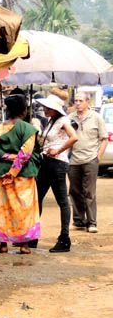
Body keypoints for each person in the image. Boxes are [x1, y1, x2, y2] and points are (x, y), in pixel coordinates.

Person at [0, 94, 42, 254]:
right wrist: (13, 171)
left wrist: (6, 157)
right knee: (25, 209)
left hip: (1, 172)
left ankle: (3, 245)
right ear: (24, 111)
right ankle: (24, 245)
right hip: (23, 175)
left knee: (1, 209)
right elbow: (25, 154)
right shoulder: (28, 129)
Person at [33, 94, 78, 252]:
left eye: (47, 107)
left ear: (54, 109)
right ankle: (33, 237)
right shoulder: (51, 121)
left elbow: (74, 137)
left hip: (57, 163)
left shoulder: (63, 121)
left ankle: (64, 239)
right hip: (46, 163)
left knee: (62, 202)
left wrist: (58, 149)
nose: (44, 109)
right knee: (37, 198)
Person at [68, 92, 109, 233]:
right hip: (73, 160)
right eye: (76, 100)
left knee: (89, 192)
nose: (78, 103)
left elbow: (104, 138)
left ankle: (92, 222)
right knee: (74, 191)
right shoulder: (70, 118)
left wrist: (98, 157)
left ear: (87, 102)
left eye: (80, 100)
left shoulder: (96, 118)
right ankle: (79, 221)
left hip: (91, 159)